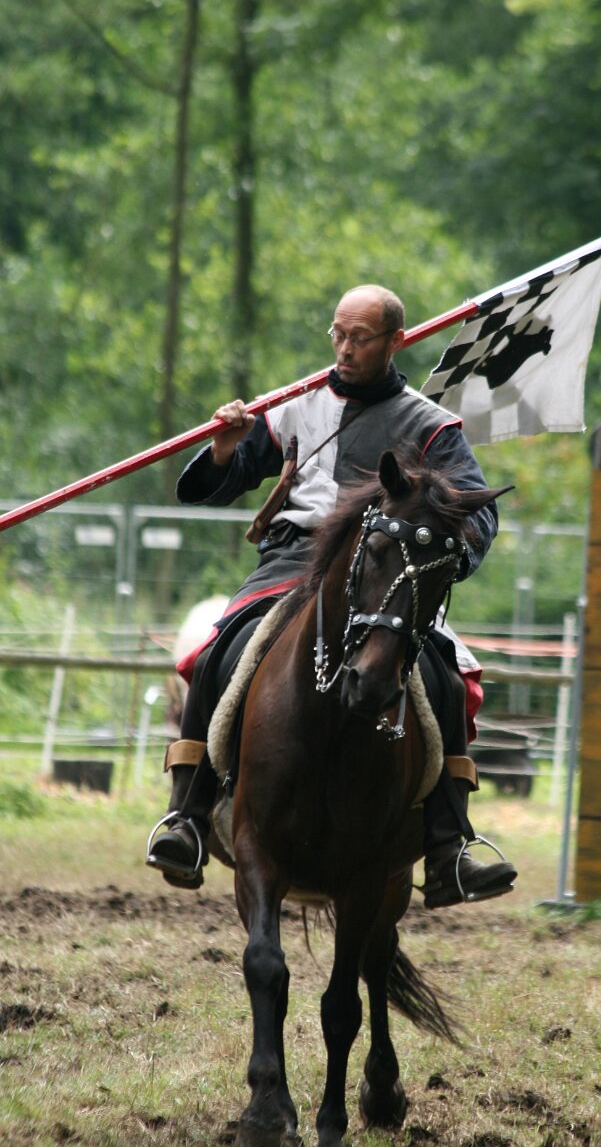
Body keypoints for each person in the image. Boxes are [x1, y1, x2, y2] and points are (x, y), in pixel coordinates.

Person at [146, 283, 518, 908]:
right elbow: (217, 484)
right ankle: (186, 816)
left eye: (360, 338)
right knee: (215, 654)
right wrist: (225, 450)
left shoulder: (432, 428)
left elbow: (477, 514)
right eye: (338, 335)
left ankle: (449, 845)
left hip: (386, 573)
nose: (345, 349)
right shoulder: (292, 405)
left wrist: (441, 561)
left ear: (396, 341)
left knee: (447, 676)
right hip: (293, 564)